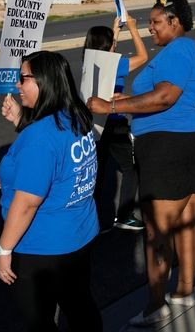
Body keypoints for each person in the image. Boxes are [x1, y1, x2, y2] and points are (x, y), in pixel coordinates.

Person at [86, 0, 195, 326]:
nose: (150, 29)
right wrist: (131, 99)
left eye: (156, 22)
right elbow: (173, 94)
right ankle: (185, 289)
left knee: (157, 232)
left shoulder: (175, 51)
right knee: (188, 219)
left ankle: (155, 305)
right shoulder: (190, 48)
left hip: (170, 147)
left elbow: (165, 97)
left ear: (175, 22)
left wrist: (112, 107)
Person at [0, 51, 102, 331]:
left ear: (45, 81)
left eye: (24, 78)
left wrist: (4, 249)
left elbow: (27, 203)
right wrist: (21, 121)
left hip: (41, 246)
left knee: (38, 320)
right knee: (80, 307)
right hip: (78, 236)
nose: (18, 85)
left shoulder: (40, 137)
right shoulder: (78, 116)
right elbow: (60, 164)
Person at [84, 15, 148, 232]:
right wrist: (132, 28)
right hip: (114, 121)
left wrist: (114, 31)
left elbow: (108, 52)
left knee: (97, 173)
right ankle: (125, 215)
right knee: (132, 168)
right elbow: (143, 56)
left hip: (93, 123)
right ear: (109, 45)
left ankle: (92, 221)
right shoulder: (117, 65)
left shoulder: (90, 60)